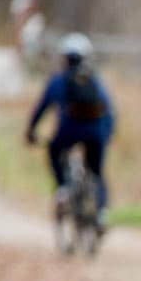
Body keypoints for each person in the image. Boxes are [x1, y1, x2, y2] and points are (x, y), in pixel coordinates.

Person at [25, 33, 114, 225]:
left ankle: (63, 188)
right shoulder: (95, 81)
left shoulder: (58, 80)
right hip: (95, 134)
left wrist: (31, 130)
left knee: (54, 149)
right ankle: (101, 214)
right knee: (97, 173)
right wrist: (106, 135)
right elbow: (109, 111)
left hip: (68, 132)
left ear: (64, 57)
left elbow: (41, 108)